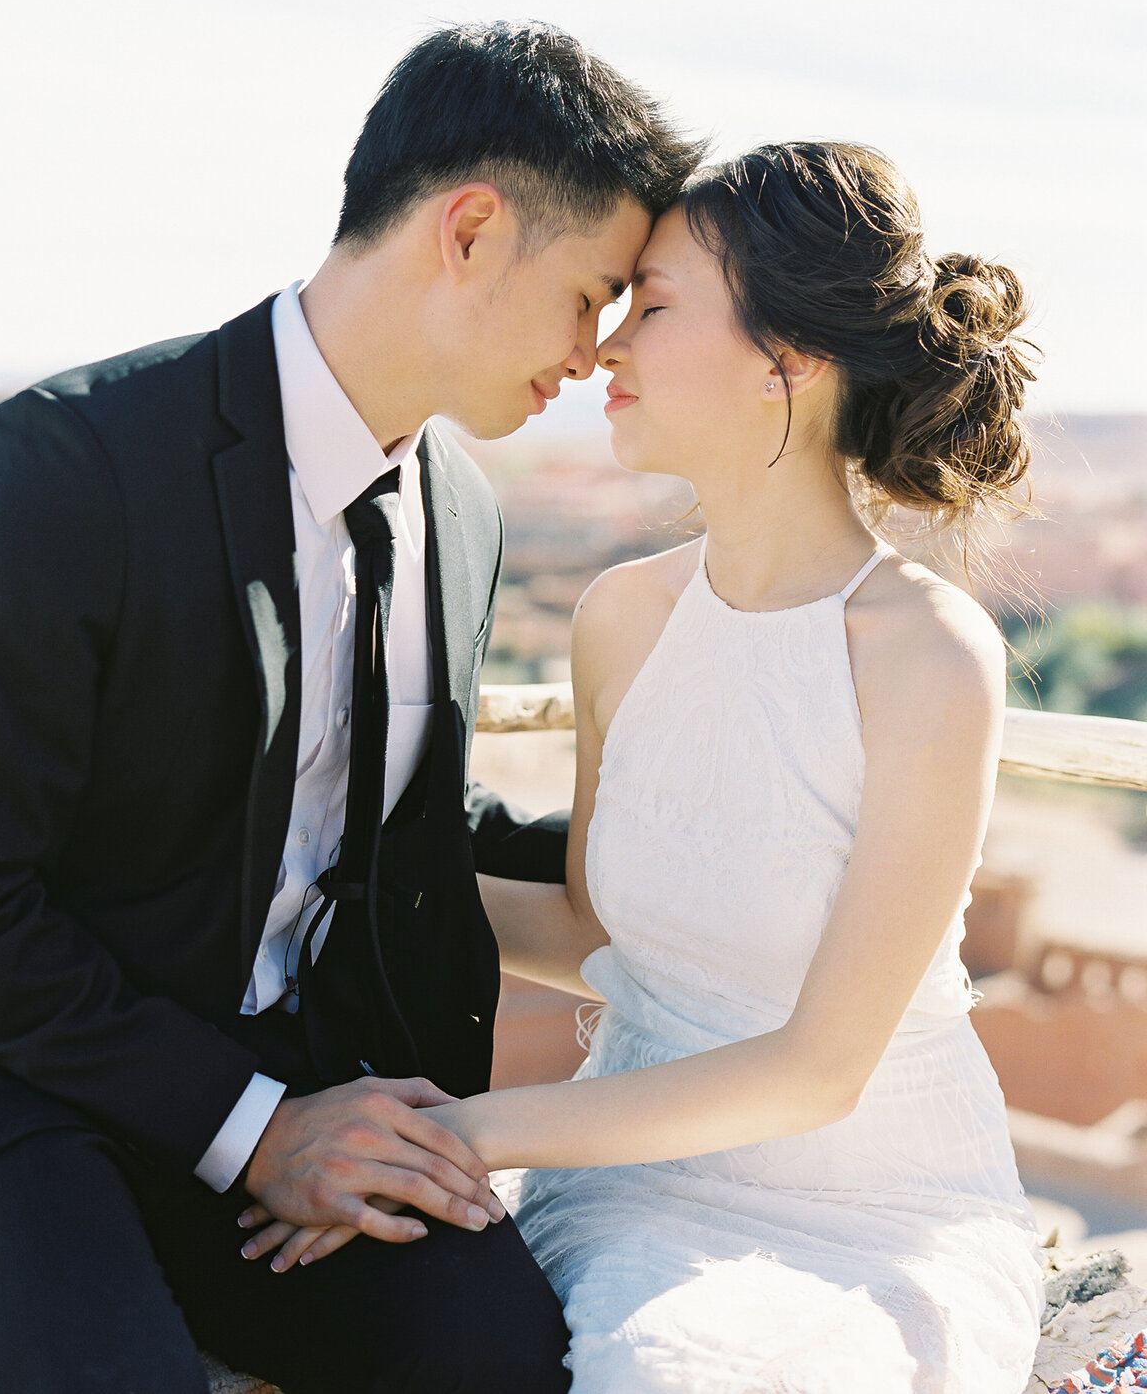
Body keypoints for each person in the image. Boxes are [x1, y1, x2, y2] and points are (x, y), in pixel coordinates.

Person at [0, 21, 703, 1394]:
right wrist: (253, 1129)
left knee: (506, 1357)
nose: (598, 353)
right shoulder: (73, 464)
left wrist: (701, 873)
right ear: (469, 229)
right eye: (592, 292)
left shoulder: (462, 512)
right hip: (20, 1084)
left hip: (303, 1089)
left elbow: (395, 801)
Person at [252, 142, 1048, 1391]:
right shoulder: (622, 618)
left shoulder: (929, 657)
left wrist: (451, 1134)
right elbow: (593, 925)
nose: (605, 347)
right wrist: (305, 871)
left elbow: (818, 1067)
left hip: (875, 1210)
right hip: (634, 1187)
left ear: (789, 359)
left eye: (655, 306)